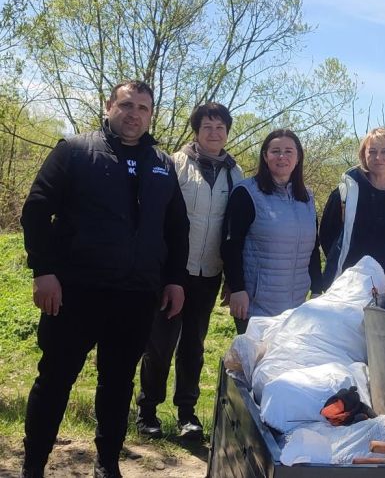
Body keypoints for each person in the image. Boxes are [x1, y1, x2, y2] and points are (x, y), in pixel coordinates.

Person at [19, 80, 188, 478]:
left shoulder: (163, 163)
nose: (134, 114)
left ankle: (108, 463)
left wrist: (174, 279)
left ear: (151, 115)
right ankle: (33, 465)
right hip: (75, 291)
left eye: (143, 108)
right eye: (127, 105)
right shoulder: (75, 152)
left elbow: (177, 229)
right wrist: (43, 271)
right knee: (56, 378)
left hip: (135, 295)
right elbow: (36, 211)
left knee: (117, 383)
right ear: (109, 106)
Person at [136, 102, 243, 440]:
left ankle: (187, 414)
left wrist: (230, 276)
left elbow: (234, 231)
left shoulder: (235, 174)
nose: (214, 132)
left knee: (194, 345)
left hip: (208, 272)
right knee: (160, 343)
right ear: (197, 131)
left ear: (227, 132)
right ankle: (148, 410)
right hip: (172, 271)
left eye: (220, 127)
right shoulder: (174, 165)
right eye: (208, 126)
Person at [221, 129, 323, 333]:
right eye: (275, 151)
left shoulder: (307, 198)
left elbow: (312, 248)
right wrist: (237, 289)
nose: (282, 157)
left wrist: (317, 289)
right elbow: (231, 246)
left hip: (297, 305)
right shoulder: (246, 193)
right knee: (254, 363)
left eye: (288, 151)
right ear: (265, 156)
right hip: (256, 305)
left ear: (298, 157)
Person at [320, 127, 385, 285]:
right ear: (364, 155)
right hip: (344, 283)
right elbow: (327, 235)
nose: (378, 157)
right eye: (372, 151)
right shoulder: (346, 192)